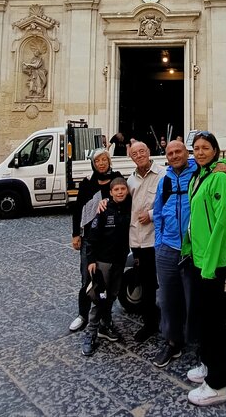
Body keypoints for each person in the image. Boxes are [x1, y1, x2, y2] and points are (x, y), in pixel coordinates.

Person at [152, 140, 226, 368]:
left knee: (196, 300)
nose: (174, 156)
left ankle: (202, 346)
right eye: (170, 153)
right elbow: (158, 211)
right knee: (168, 299)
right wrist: (159, 242)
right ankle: (173, 342)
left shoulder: (201, 172)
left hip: (194, 249)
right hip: (168, 247)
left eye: (178, 151)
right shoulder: (165, 180)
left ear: (186, 153)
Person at [181, 131, 226, 406]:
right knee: (203, 318)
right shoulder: (198, 176)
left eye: (205, 148)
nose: (200, 152)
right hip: (199, 259)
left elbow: (222, 223)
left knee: (214, 324)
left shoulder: (220, 179)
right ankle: (207, 366)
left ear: (216, 150)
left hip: (211, 263)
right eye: (196, 148)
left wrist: (209, 266)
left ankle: (218, 384)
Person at [70, 149, 123, 332]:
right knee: (87, 278)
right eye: (97, 160)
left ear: (109, 161)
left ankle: (105, 317)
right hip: (89, 238)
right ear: (93, 163)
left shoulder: (117, 178)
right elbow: (78, 208)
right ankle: (82, 314)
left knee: (109, 281)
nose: (101, 163)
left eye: (104, 159)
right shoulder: (87, 182)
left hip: (110, 239)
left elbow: (125, 200)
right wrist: (75, 233)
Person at [81, 177, 132, 356]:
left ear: (127, 191)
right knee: (98, 298)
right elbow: (92, 237)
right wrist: (91, 260)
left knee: (112, 296)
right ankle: (90, 333)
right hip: (102, 262)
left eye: (122, 189)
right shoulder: (103, 210)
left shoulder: (128, 208)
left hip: (119, 261)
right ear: (110, 193)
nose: (119, 192)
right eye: (116, 189)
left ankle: (106, 325)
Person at [127, 141, 165, 342]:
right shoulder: (130, 180)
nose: (139, 155)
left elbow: (169, 202)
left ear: (150, 151)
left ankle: (168, 322)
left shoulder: (163, 174)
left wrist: (151, 214)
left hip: (156, 238)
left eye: (142, 151)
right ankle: (150, 322)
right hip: (137, 239)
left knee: (166, 282)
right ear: (131, 157)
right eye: (135, 153)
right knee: (145, 283)